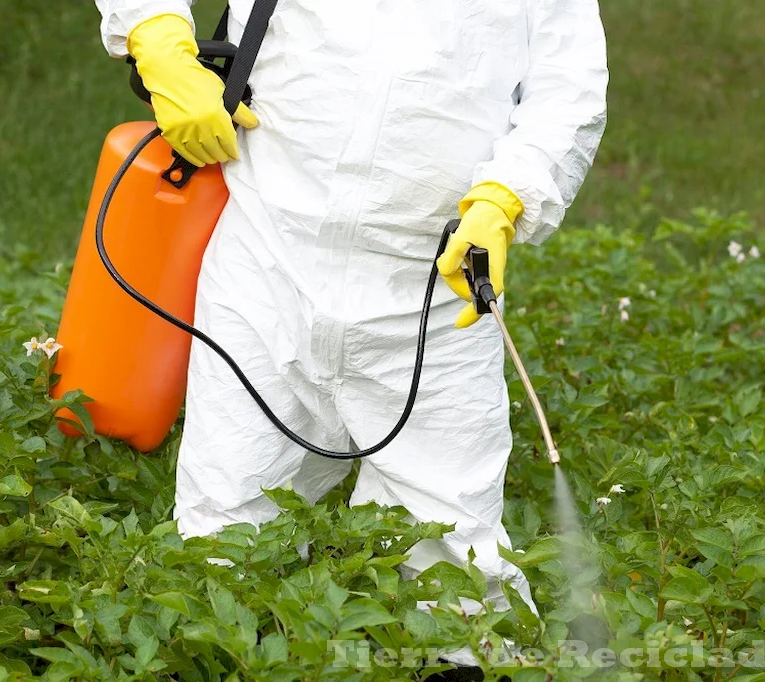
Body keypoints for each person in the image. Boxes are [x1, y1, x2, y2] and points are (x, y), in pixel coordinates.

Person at [97, 0, 607, 674]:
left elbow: (568, 89)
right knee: (223, 539)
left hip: (428, 292)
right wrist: (155, 35)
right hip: (266, 258)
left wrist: (506, 196)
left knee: (452, 563)